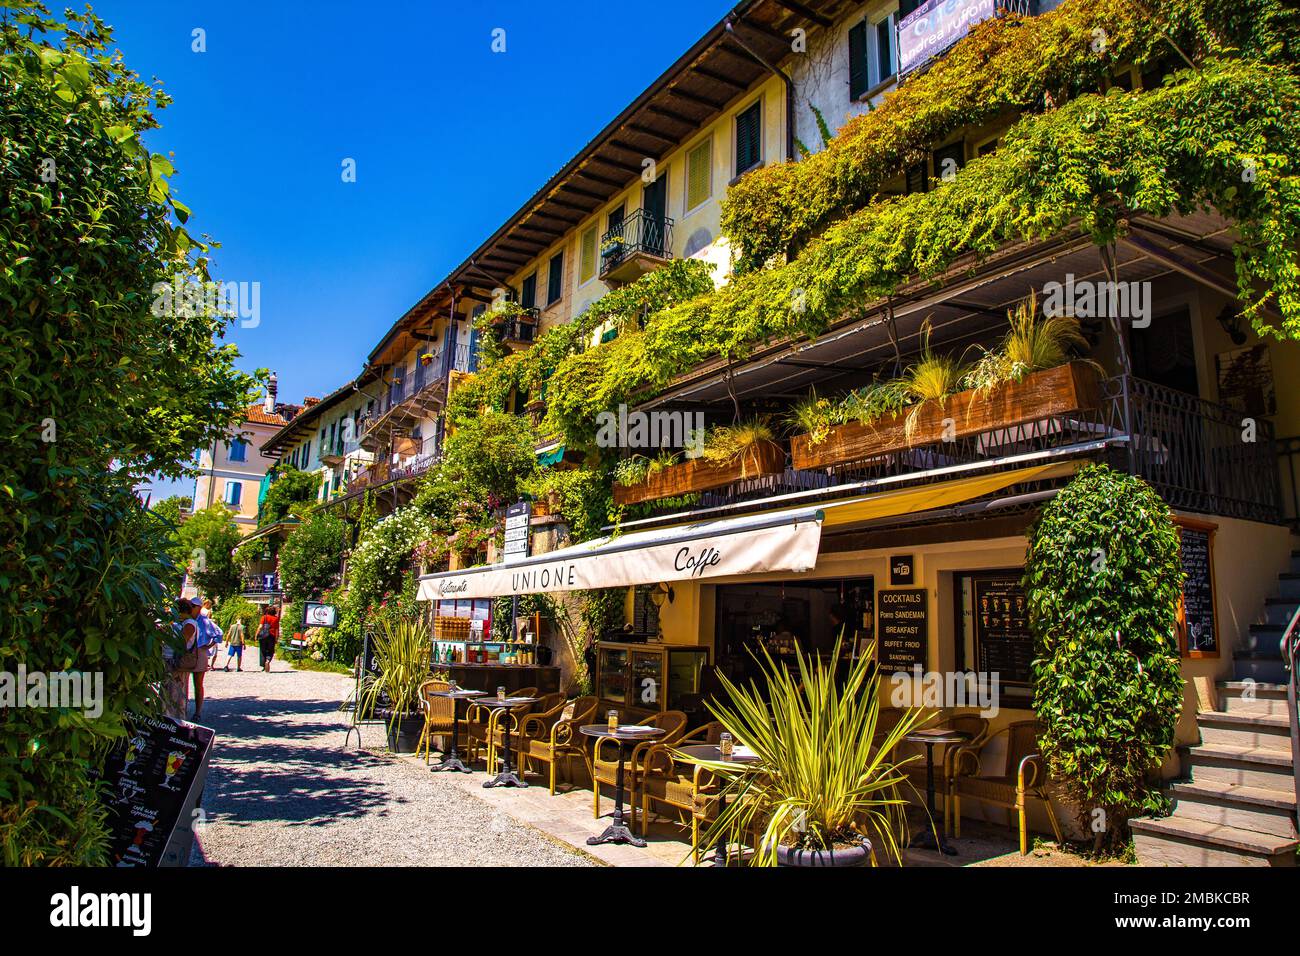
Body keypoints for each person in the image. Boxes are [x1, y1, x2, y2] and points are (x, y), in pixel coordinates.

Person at [176, 597, 216, 720]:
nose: (191, 608)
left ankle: (197, 712)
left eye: (194, 606)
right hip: (188, 653)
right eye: (191, 606)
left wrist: (206, 647)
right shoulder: (184, 619)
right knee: (183, 682)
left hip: (199, 653)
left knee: (198, 684)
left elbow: (217, 634)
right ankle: (183, 709)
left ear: (199, 608)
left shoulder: (203, 620)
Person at [257, 605, 280, 672]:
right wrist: (276, 638)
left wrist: (256, 634)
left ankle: (264, 665)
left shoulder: (264, 617)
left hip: (263, 636)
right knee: (270, 651)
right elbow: (276, 630)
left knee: (263, 650)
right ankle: (267, 661)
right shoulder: (276, 619)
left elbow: (260, 627)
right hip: (271, 636)